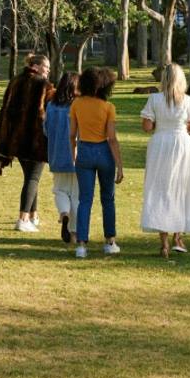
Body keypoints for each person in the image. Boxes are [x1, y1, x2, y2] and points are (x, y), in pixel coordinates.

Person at [139, 62, 190, 259]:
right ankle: (178, 237)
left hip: (160, 144)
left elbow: (147, 127)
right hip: (182, 144)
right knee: (182, 188)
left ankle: (164, 242)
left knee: (160, 188)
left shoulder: (154, 99)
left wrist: (161, 122)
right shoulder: (188, 101)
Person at [0, 53, 54, 232]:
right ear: (36, 66)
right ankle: (23, 218)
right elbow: (50, 108)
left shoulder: (15, 81)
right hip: (35, 139)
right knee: (33, 179)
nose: (48, 71)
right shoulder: (42, 84)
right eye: (46, 67)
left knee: (31, 178)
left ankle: (33, 215)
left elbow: (6, 109)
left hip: (15, 139)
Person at [69, 65, 123, 258]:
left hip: (84, 150)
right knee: (108, 199)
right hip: (104, 152)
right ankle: (110, 241)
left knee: (85, 200)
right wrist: (120, 165)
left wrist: (73, 154)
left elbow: (72, 134)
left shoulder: (76, 104)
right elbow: (112, 138)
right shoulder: (108, 107)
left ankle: (81, 245)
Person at [43, 71, 79, 243]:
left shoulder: (51, 105)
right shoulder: (78, 106)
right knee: (77, 194)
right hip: (77, 154)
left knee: (60, 190)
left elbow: (45, 129)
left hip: (57, 153)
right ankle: (74, 231)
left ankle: (63, 213)